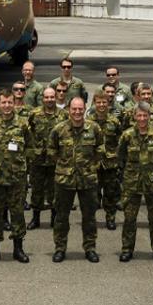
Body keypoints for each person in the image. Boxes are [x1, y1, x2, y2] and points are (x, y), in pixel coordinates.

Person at [48, 97, 104, 263]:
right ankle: (60, 248)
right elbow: (51, 151)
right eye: (74, 109)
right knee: (61, 217)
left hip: (88, 180)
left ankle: (90, 248)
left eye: (80, 109)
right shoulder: (59, 129)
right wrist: (64, 166)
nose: (77, 112)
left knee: (89, 217)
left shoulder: (94, 128)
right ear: (68, 109)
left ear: (85, 108)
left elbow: (100, 149)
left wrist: (91, 167)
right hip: (65, 180)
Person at [0, 89, 33, 263]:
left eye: (10, 102)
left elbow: (30, 147)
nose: (7, 105)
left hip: (16, 178)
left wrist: (21, 164)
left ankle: (18, 249)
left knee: (17, 213)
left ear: (14, 103)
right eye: (3, 102)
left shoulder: (23, 124)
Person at [117, 102, 153, 262]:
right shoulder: (127, 135)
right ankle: (127, 249)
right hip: (132, 182)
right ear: (134, 117)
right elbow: (121, 157)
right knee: (129, 218)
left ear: (149, 116)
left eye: (145, 115)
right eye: (139, 115)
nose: (142, 119)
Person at [27, 87, 67, 229]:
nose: (49, 100)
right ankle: (35, 218)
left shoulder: (64, 115)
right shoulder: (34, 114)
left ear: (55, 97)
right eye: (47, 97)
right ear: (42, 98)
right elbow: (28, 131)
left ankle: (54, 218)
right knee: (36, 189)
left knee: (55, 190)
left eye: (52, 97)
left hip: (56, 160)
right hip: (37, 159)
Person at [89, 90, 122, 230]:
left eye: (104, 102)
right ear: (94, 103)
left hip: (110, 163)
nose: (101, 105)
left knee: (111, 193)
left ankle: (110, 218)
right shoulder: (89, 122)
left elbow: (120, 140)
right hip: (93, 163)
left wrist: (118, 158)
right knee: (92, 195)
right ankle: (91, 220)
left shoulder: (114, 121)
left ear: (108, 103)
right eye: (98, 102)